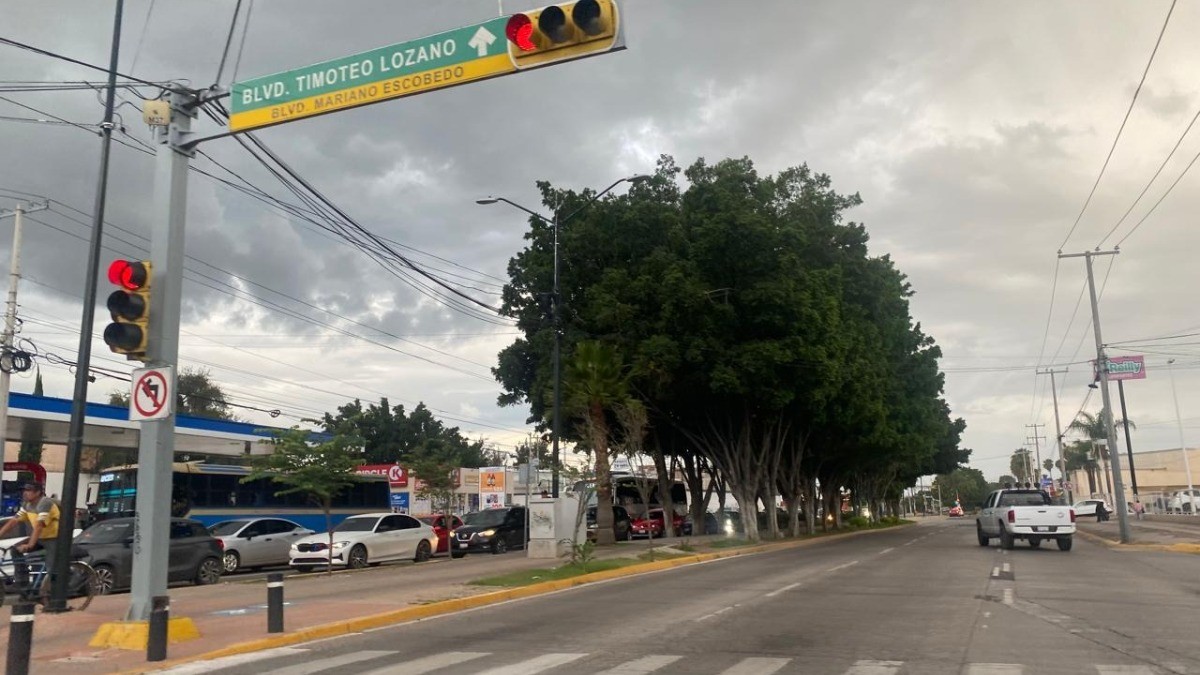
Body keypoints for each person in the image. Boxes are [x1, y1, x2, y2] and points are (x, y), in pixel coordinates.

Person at [0, 481, 61, 593]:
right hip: (40, 538)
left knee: (52, 568)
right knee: (15, 550)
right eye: (24, 490)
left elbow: (39, 526)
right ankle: (21, 582)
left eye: (28, 490)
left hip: (54, 538)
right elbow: (13, 521)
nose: (25, 493)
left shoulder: (45, 503)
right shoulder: (26, 505)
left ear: (38, 492)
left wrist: (30, 545)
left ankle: (54, 594)